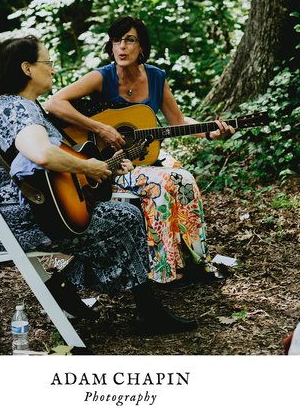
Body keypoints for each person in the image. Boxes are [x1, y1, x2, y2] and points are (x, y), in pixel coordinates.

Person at [0, 35, 196, 335]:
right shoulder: (17, 111)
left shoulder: (19, 106)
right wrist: (87, 166)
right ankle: (142, 309)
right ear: (27, 69)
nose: (53, 69)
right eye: (48, 63)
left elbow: (49, 167)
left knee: (115, 213)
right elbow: (41, 153)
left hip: (26, 212)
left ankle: (68, 286)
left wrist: (101, 168)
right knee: (125, 218)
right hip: (21, 224)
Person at [45, 16, 235, 285]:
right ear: (110, 46)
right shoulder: (103, 77)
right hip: (110, 163)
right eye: (117, 41)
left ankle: (194, 261)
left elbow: (178, 122)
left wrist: (209, 130)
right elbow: (55, 103)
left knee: (186, 178)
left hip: (148, 158)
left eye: (130, 40)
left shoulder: (157, 77)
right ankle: (163, 271)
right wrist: (100, 128)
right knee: (161, 184)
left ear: (142, 47)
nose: (122, 47)